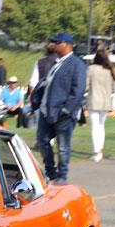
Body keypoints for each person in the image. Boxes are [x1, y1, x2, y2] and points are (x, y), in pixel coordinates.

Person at [33, 32, 86, 183]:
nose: (55, 45)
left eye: (58, 43)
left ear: (66, 44)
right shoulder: (57, 63)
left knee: (63, 146)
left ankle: (62, 175)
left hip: (63, 112)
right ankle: (51, 171)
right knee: (42, 140)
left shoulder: (76, 64)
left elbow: (79, 89)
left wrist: (67, 109)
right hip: (47, 110)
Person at [85, 48, 115, 162]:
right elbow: (114, 88)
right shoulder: (110, 69)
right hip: (105, 101)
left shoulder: (91, 69)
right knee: (101, 126)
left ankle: (97, 152)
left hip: (94, 100)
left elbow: (86, 85)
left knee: (95, 127)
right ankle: (99, 150)